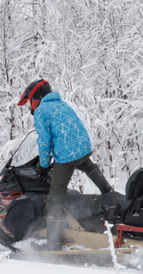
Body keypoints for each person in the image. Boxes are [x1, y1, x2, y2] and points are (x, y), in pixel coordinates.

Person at [18, 79, 114, 248]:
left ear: (37, 98)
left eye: (30, 102)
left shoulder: (41, 111)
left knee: (55, 196)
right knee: (86, 164)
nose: (30, 107)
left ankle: (52, 244)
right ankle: (108, 191)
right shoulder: (62, 103)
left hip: (66, 155)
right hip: (84, 147)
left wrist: (44, 166)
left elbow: (44, 141)